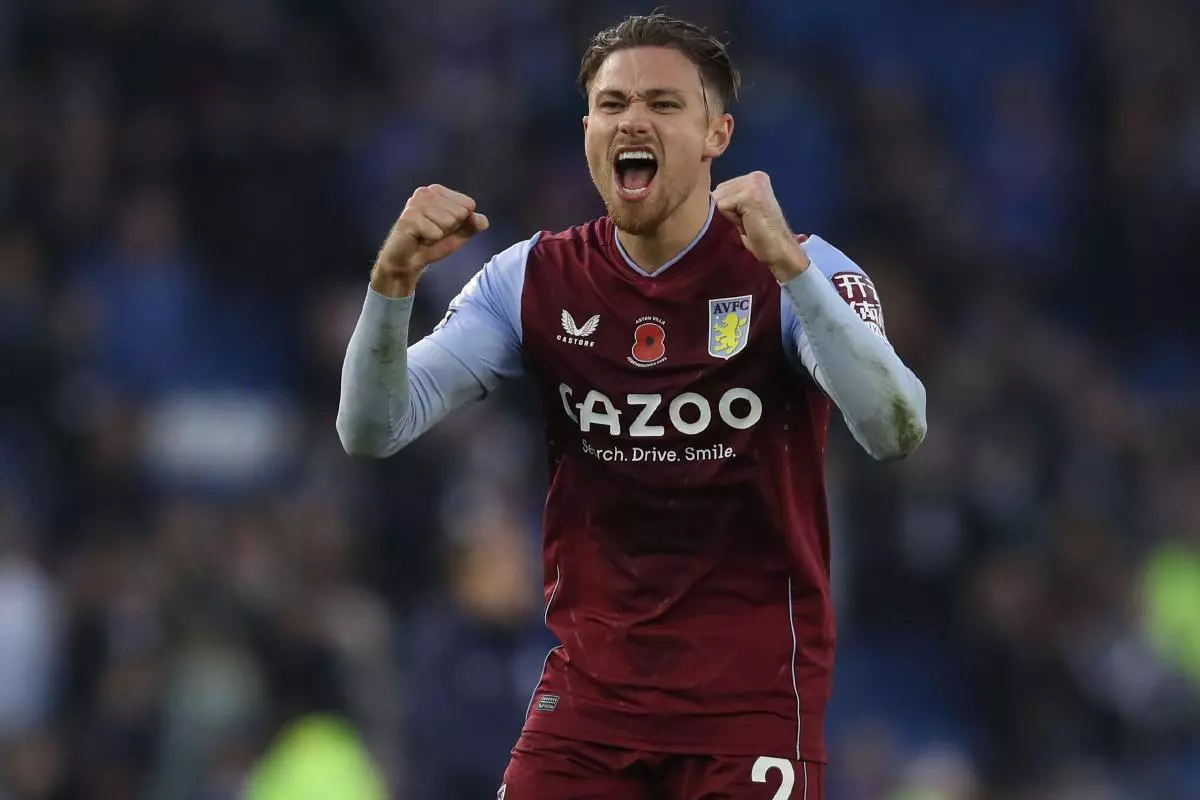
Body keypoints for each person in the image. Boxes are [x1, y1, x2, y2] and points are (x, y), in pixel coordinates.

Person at [336, 12, 927, 800]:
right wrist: (391, 288)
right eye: (612, 105)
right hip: (590, 706)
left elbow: (895, 428)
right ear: (587, 130)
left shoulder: (798, 271)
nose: (632, 121)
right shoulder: (533, 280)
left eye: (663, 103)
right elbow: (372, 429)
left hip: (747, 708)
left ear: (718, 134)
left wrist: (788, 267)